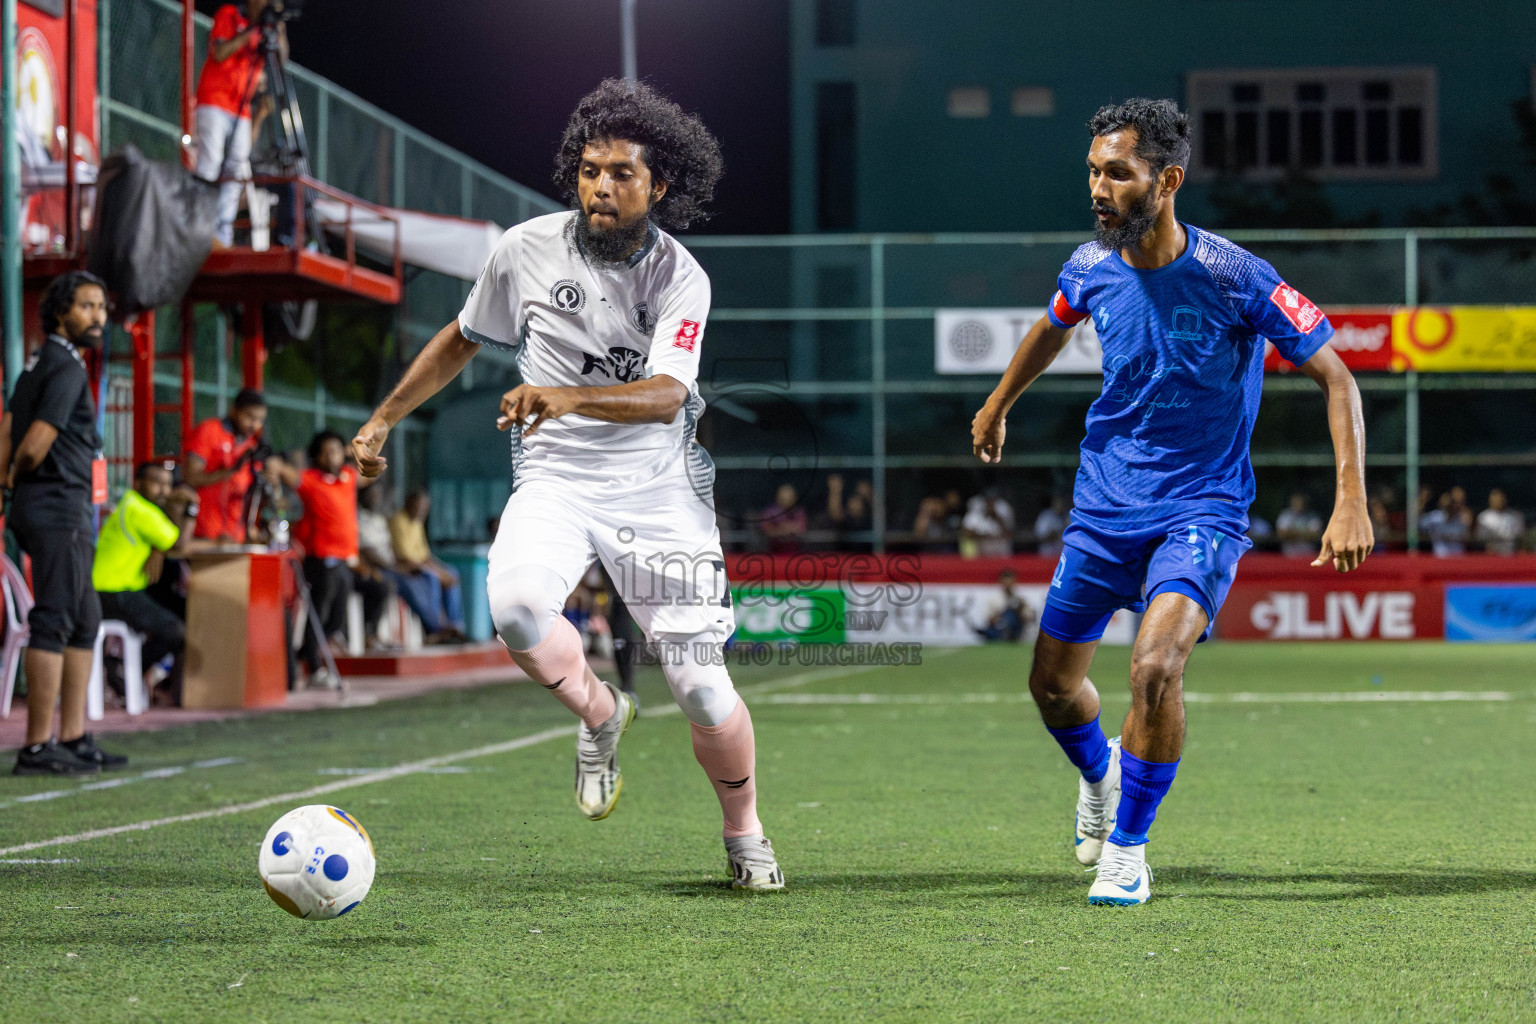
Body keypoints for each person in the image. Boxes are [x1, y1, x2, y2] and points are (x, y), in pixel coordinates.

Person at [350, 80, 783, 889]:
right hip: (555, 478)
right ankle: (599, 713)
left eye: (622, 173)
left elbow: (666, 399)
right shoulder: (524, 250)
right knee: (512, 607)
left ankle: (744, 833)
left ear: (660, 187)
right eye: (589, 171)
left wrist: (565, 396)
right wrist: (383, 419)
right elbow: (461, 338)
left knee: (698, 685)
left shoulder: (680, 277)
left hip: (660, 494)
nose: (601, 188)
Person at [970, 99, 1371, 905]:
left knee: (1155, 667)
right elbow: (1053, 327)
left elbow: (1338, 375)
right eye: (1093, 170)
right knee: (1051, 686)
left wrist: (1350, 499)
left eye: (1117, 172)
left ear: (1167, 180)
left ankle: (1129, 847)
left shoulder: (1237, 275)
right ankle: (1098, 779)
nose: (1099, 186)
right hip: (1102, 508)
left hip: (1202, 509)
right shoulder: (1089, 266)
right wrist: (999, 402)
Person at [0, 272, 126, 774]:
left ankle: (71, 737)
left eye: (101, 307)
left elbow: (7, 425)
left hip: (54, 508)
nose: (98, 317)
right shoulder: (66, 367)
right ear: (60, 313)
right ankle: (36, 746)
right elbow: (31, 442)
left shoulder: (41, 362)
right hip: (57, 508)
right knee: (54, 617)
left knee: (85, 618)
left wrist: (7, 486)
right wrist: (13, 478)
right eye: (86, 307)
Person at [275, 431, 381, 687]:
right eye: (326, 451)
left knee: (335, 618)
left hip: (345, 560)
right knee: (318, 613)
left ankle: (304, 655)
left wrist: (356, 449)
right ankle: (312, 666)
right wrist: (275, 465)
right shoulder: (310, 479)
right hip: (320, 559)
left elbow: (373, 470)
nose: (331, 455)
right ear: (317, 455)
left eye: (335, 450)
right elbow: (280, 469)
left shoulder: (348, 477)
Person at [92, 462, 199, 704]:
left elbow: (167, 538)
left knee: (183, 610)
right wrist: (192, 508)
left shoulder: (136, 506)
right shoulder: (138, 510)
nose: (163, 490)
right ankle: (125, 670)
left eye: (168, 485)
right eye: (156, 483)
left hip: (121, 589)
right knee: (176, 629)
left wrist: (158, 549)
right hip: (113, 592)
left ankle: (132, 671)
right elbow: (180, 544)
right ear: (138, 484)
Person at [194, 0, 286, 246]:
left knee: (236, 170)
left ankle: (221, 236)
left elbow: (281, 61)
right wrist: (249, 34)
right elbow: (219, 52)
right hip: (214, 101)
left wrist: (279, 28)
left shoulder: (264, 30)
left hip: (241, 107)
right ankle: (197, 227)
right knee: (210, 164)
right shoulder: (230, 15)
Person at [183, 388, 271, 543]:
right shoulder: (209, 430)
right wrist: (231, 471)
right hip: (201, 532)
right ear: (234, 410)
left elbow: (251, 494)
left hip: (234, 536)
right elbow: (190, 477)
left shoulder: (253, 447)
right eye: (249, 417)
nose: (254, 425)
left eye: (260, 420)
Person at [388, 491, 467, 642]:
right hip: (406, 568)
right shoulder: (398, 520)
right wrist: (437, 573)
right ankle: (436, 627)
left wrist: (442, 572)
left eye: (425, 508)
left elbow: (425, 556)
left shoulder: (417, 523)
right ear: (408, 503)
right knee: (432, 577)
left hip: (419, 565)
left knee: (452, 573)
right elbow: (405, 558)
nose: (422, 511)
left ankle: (455, 625)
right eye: (418, 507)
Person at [975, 568, 1036, 643]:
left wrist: (1019, 610)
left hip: (1016, 628)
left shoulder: (1021, 599)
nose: (1008, 583)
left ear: (1014, 581)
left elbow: (1028, 618)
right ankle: (1001, 633)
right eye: (1005, 580)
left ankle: (1006, 633)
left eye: (1010, 580)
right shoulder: (994, 599)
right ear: (1001, 581)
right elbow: (989, 619)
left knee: (1011, 613)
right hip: (1000, 626)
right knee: (1006, 616)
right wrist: (1000, 618)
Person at [960, 489, 1015, 557]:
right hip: (981, 552)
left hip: (1001, 552)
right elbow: (966, 533)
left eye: (992, 501)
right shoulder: (975, 512)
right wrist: (985, 536)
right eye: (988, 501)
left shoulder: (1004, 509)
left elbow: (1009, 533)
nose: (990, 503)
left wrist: (996, 517)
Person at [1421, 486, 1472, 557]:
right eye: (1454, 502)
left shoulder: (1463, 520)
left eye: (1459, 502)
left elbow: (1469, 539)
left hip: (1458, 560)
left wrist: (1470, 524)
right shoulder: (1435, 517)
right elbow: (1418, 525)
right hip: (1439, 559)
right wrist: (1422, 501)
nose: (1456, 505)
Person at [760, 483, 807, 552]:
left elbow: (801, 529)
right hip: (773, 552)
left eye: (789, 499)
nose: (787, 502)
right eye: (784, 499)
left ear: (794, 499)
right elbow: (767, 530)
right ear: (778, 498)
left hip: (795, 552)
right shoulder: (770, 512)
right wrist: (787, 529)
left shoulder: (799, 512)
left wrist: (780, 528)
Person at [1276, 492, 1324, 558]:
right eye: (1296, 502)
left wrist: (1292, 534)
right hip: (1289, 555)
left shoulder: (1313, 517)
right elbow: (1281, 534)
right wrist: (1305, 534)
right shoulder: (1285, 515)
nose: (1299, 505)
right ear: (1292, 503)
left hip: (1309, 555)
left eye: (1301, 502)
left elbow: (1316, 535)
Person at [1475, 489, 1523, 555]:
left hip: (1510, 554)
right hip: (1492, 555)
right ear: (1490, 500)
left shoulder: (1514, 517)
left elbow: (1519, 536)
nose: (1499, 501)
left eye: (1501, 499)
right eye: (1496, 499)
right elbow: (1481, 538)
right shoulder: (1483, 517)